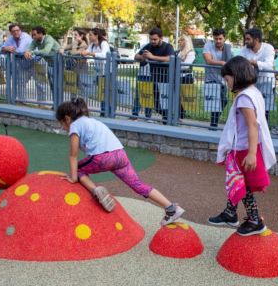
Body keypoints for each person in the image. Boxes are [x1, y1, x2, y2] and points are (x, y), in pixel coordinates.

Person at [56, 97, 185, 225]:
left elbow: (73, 155)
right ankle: (171, 208)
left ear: (67, 119)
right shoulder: (92, 121)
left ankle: (96, 191)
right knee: (138, 184)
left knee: (77, 170)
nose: (63, 127)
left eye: (61, 123)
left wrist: (73, 178)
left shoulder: (74, 125)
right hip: (120, 155)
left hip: (103, 157)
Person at [208, 56, 276, 236]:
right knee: (236, 180)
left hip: (244, 148)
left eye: (227, 78)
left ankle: (254, 219)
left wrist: (252, 153)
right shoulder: (253, 92)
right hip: (243, 147)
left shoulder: (244, 98)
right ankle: (230, 212)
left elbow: (253, 124)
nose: (226, 82)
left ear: (236, 76)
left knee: (241, 183)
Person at [133, 28, 175, 123]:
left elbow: (169, 58)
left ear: (161, 38)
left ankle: (168, 120)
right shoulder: (149, 46)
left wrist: (152, 57)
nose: (152, 41)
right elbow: (136, 56)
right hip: (154, 78)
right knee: (156, 104)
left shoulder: (168, 46)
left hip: (167, 79)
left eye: (155, 39)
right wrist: (142, 57)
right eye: (151, 39)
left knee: (166, 102)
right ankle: (167, 118)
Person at [239, 28, 276, 119]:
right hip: (251, 85)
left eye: (248, 39)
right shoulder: (244, 50)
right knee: (251, 110)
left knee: (264, 112)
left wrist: (252, 62)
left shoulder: (268, 48)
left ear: (256, 40)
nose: (246, 41)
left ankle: (262, 132)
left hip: (266, 83)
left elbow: (269, 66)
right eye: (245, 39)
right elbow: (240, 63)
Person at [203, 28, 233, 128]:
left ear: (224, 38)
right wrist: (222, 63)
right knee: (214, 103)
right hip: (210, 79)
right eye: (216, 39)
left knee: (224, 101)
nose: (218, 41)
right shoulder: (208, 45)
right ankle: (213, 124)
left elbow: (232, 62)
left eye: (220, 39)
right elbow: (208, 60)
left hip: (223, 80)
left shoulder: (228, 48)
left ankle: (213, 122)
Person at [24, 26, 61, 103]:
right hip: (51, 63)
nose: (33, 37)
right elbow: (29, 48)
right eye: (32, 35)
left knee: (59, 85)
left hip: (60, 63)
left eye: (34, 34)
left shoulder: (48, 38)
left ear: (40, 34)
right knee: (52, 85)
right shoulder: (35, 40)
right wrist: (27, 52)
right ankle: (56, 104)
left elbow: (46, 51)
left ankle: (60, 104)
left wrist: (33, 52)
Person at [79, 28, 110, 116]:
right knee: (101, 92)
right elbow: (87, 52)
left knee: (106, 93)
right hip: (98, 72)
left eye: (91, 35)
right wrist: (83, 53)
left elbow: (104, 54)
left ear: (96, 35)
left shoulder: (104, 43)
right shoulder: (92, 45)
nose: (89, 36)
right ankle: (103, 111)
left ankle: (106, 112)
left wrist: (90, 54)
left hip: (107, 72)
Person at [1, 24, 33, 100]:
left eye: (17, 30)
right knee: (21, 82)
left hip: (35, 61)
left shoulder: (26, 37)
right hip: (23, 63)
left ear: (20, 30)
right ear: (11, 32)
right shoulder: (11, 38)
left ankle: (42, 103)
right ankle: (22, 100)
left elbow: (20, 50)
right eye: (13, 31)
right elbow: (1, 48)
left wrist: (9, 49)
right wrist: (5, 48)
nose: (16, 32)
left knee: (40, 83)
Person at [177, 35, 196, 119]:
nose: (180, 42)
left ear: (186, 42)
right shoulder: (179, 52)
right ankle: (179, 114)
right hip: (178, 76)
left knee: (184, 97)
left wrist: (177, 63)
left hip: (186, 77)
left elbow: (185, 66)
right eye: (179, 40)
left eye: (182, 40)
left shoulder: (191, 52)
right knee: (178, 96)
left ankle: (181, 115)